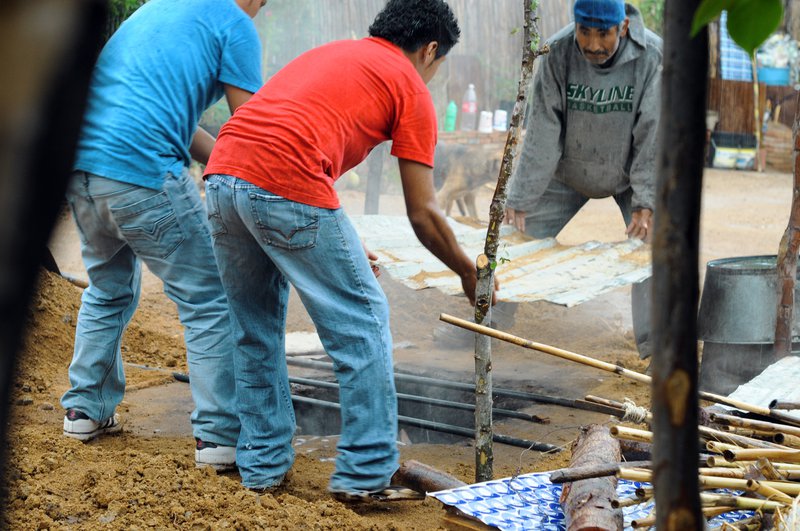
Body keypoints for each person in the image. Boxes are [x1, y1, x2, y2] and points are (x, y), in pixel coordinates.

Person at [204, 0, 488, 498]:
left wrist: (344, 237)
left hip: (224, 176)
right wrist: (468, 271)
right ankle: (365, 475)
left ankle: (262, 468)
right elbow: (423, 214)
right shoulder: (408, 85)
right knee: (362, 320)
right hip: (282, 180)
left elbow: (290, 141)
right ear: (430, 50)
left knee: (253, 328)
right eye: (438, 65)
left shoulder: (335, 53)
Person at [60, 0, 267, 471]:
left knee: (108, 289)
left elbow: (167, 115)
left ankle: (84, 411)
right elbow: (253, 130)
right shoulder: (234, 23)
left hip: (82, 168)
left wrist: (215, 160)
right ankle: (219, 437)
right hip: (143, 172)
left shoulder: (160, 9)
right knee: (210, 297)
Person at [504, 0, 662, 359]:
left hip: (629, 172)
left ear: (622, 27)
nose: (592, 44)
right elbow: (543, 127)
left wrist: (647, 200)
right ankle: (488, 320)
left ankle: (657, 345)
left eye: (602, 33)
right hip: (566, 170)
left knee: (656, 244)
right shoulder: (557, 51)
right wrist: (521, 196)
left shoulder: (652, 55)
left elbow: (654, 133)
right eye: (584, 31)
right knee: (513, 234)